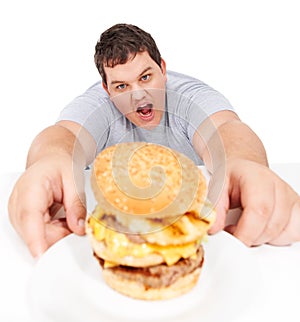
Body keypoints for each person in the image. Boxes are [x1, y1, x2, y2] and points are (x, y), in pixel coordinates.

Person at [8, 23, 300, 257]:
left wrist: (245, 162)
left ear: (163, 68)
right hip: (123, 240)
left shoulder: (191, 96)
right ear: (107, 90)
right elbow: (66, 135)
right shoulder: (98, 105)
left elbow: (225, 130)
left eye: (146, 77)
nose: (138, 95)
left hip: (205, 243)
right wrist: (48, 161)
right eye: (122, 85)